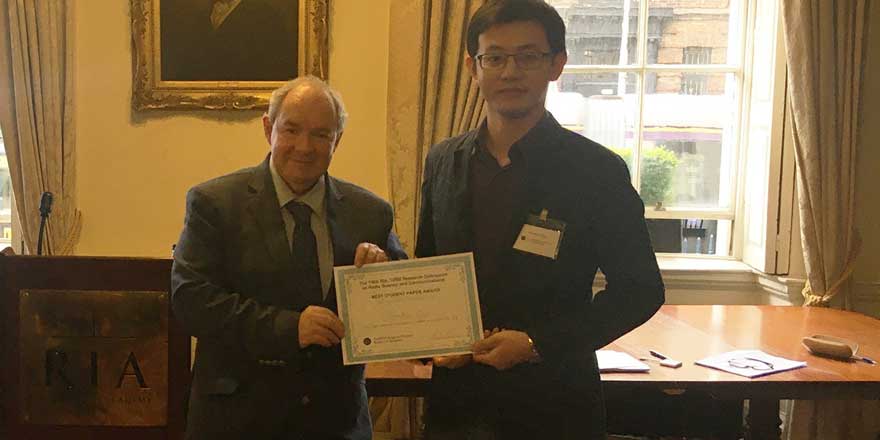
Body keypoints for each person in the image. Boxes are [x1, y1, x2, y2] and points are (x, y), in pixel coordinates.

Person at [415, 1, 665, 438]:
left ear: (556, 64)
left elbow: (640, 290)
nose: (510, 72)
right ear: (473, 67)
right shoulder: (442, 160)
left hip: (553, 405)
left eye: (528, 56)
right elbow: (429, 269)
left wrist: (536, 344)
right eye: (495, 57)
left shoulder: (596, 170)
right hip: (457, 409)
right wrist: (431, 340)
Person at [171, 76, 405, 440]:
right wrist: (288, 327)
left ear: (338, 140)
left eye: (321, 134)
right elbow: (191, 301)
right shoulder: (214, 204)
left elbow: (404, 300)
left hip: (337, 423)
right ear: (269, 129)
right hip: (238, 422)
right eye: (291, 130)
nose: (304, 147)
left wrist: (384, 273)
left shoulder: (370, 213)